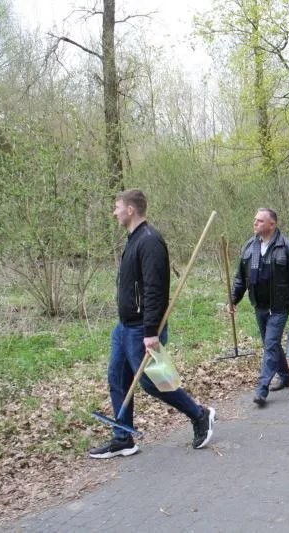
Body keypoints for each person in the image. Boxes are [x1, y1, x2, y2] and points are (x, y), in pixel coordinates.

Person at [89, 189, 214, 459]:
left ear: (130, 209)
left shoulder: (149, 241)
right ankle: (123, 438)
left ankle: (199, 414)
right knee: (117, 379)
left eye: (117, 207)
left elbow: (155, 290)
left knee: (149, 382)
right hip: (124, 326)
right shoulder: (134, 239)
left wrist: (149, 332)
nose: (114, 212)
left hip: (141, 329)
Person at [229, 208, 289, 407]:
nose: (255, 223)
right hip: (259, 306)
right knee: (271, 344)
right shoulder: (249, 247)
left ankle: (261, 389)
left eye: (260, 221)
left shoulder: (288, 247)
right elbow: (240, 278)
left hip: (279, 307)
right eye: (255, 220)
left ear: (272, 224)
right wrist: (233, 300)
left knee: (270, 344)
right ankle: (286, 376)